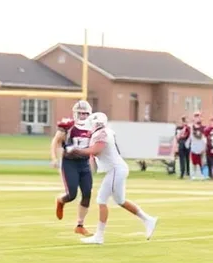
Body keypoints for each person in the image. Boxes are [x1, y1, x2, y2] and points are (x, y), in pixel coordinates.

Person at [76, 113, 157, 245]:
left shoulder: (101, 133)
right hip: (117, 169)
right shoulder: (105, 132)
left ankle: (99, 236)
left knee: (101, 199)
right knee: (120, 200)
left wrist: (77, 151)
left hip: (115, 169)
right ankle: (148, 219)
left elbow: (96, 150)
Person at [51, 100, 94, 235]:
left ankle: (80, 225)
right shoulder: (68, 127)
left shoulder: (93, 127)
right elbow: (55, 141)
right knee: (72, 195)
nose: (82, 116)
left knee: (87, 193)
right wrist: (54, 158)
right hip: (70, 163)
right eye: (80, 113)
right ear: (75, 114)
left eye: (85, 114)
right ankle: (60, 200)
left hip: (84, 163)